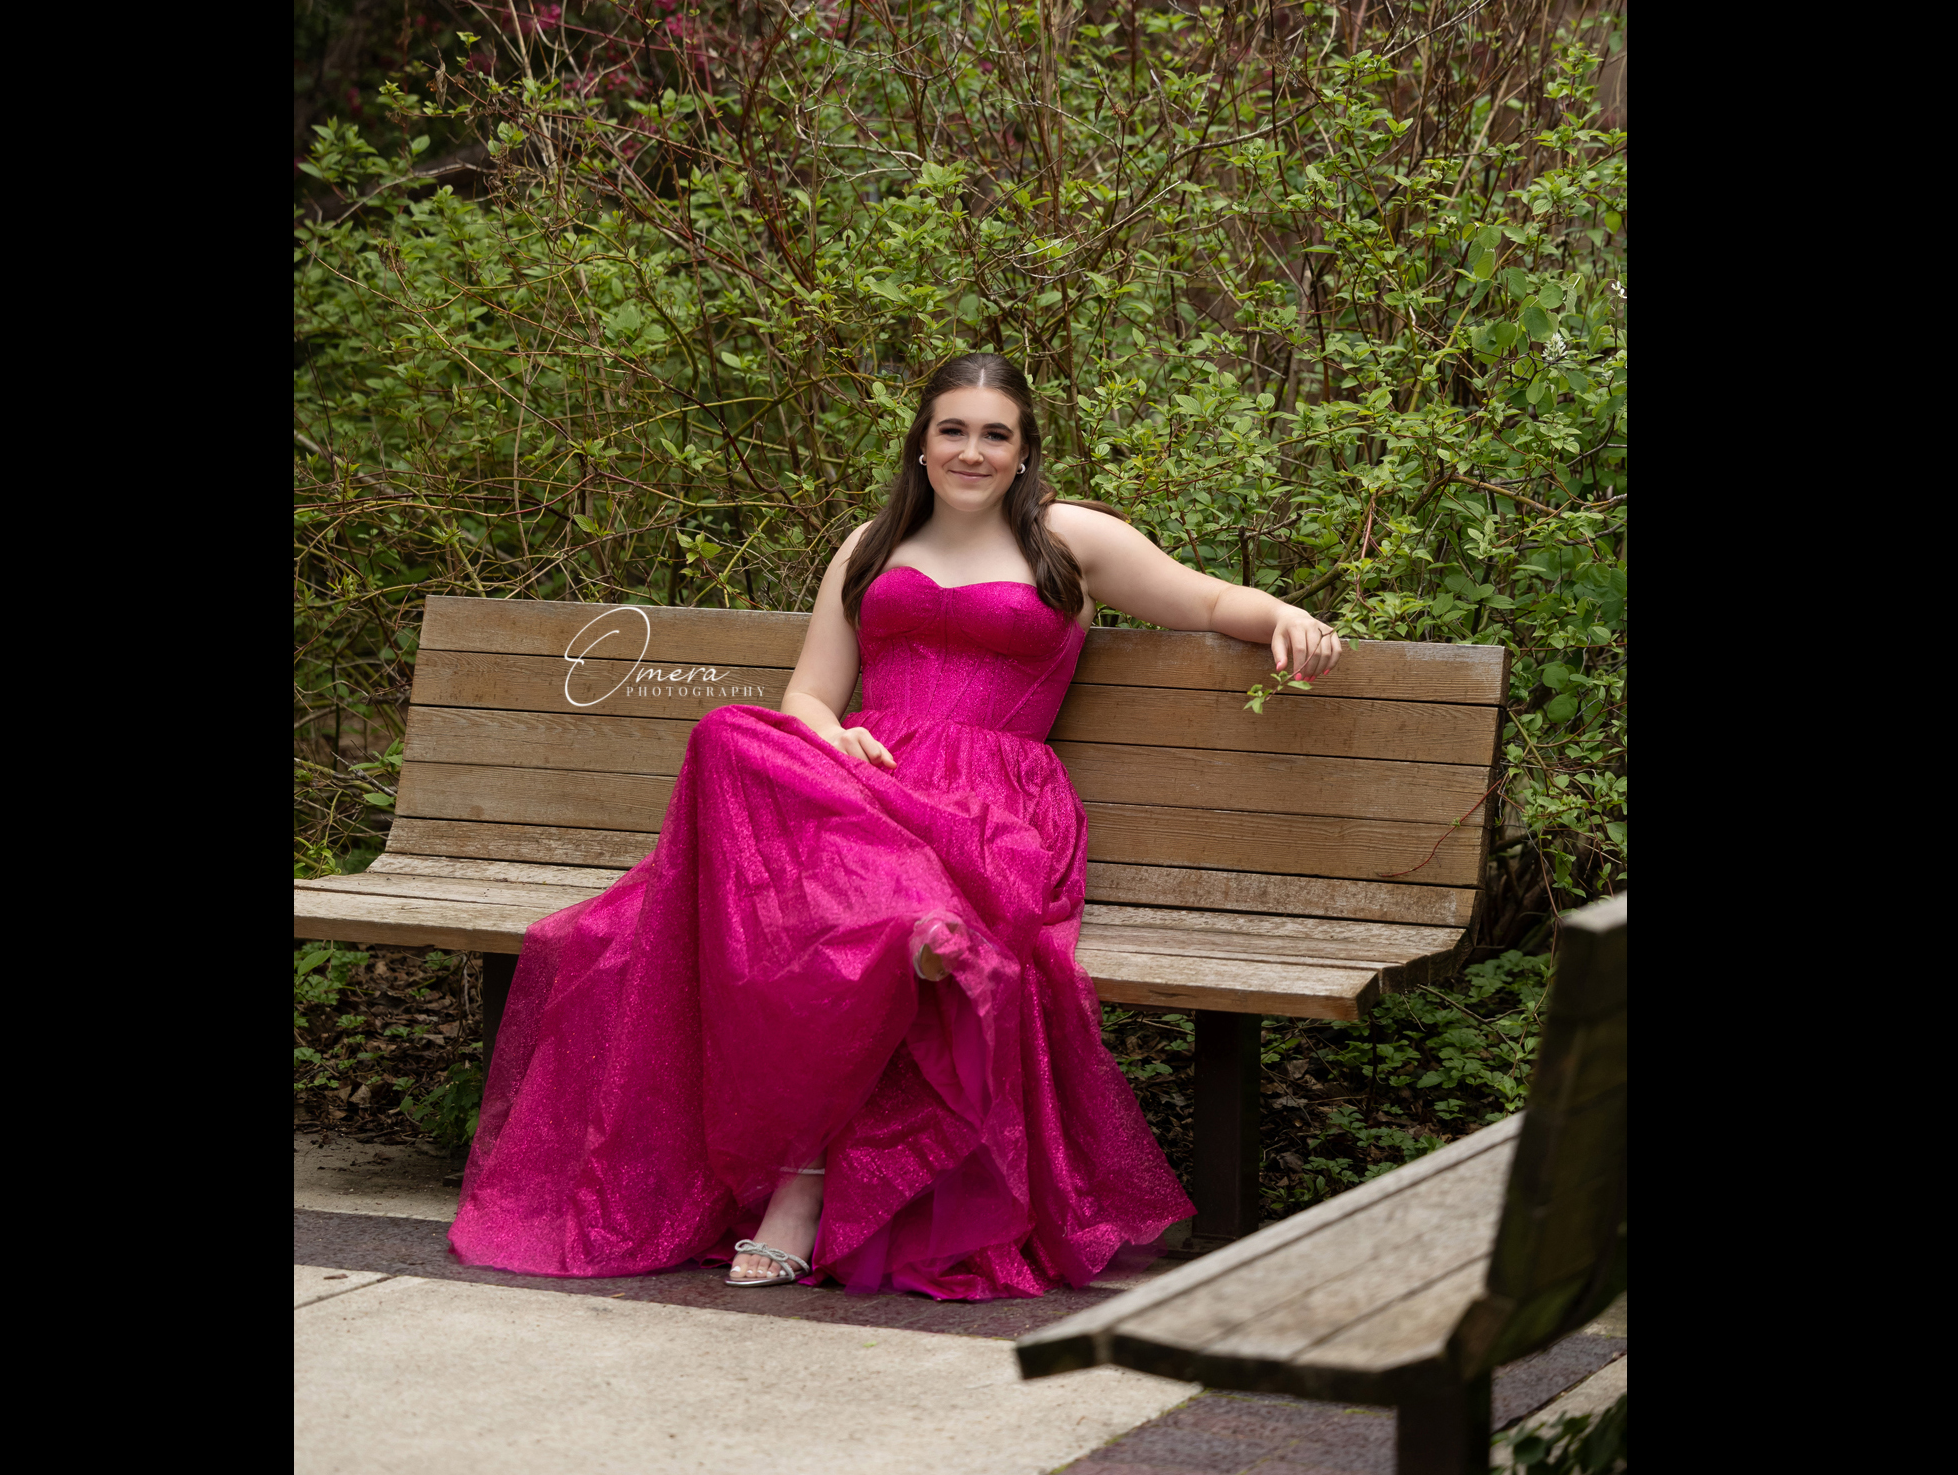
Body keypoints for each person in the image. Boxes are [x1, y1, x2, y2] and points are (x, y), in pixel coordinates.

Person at [449, 352, 1341, 1298]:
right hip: (857, 790)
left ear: (1025, 449)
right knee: (725, 735)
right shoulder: (871, 543)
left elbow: (1202, 599)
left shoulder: (1068, 539)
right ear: (920, 443)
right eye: (952, 429)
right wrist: (833, 738)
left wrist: (1283, 613)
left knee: (826, 928)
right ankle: (893, 971)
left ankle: (848, 1079)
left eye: (995, 433)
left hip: (991, 806)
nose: (972, 450)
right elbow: (807, 694)